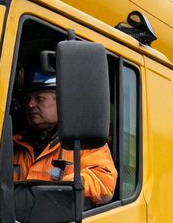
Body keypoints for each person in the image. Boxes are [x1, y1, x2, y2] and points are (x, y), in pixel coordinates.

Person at [12, 66, 117, 204]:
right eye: (27, 99)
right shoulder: (13, 144)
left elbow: (104, 183)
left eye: (39, 98)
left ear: (62, 102)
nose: (30, 104)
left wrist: (67, 186)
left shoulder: (85, 141)